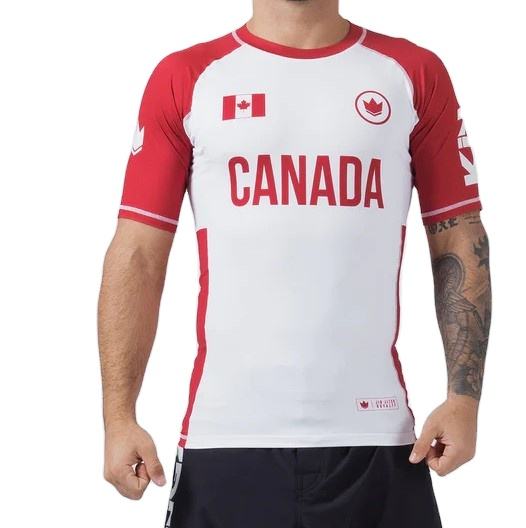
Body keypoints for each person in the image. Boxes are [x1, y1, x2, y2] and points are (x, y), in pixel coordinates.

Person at [98, 0, 492, 526]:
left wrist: (463, 400)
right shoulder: (187, 77)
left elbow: (458, 237)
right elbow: (139, 253)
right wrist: (119, 416)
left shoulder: (412, 74)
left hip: (378, 437)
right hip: (226, 437)